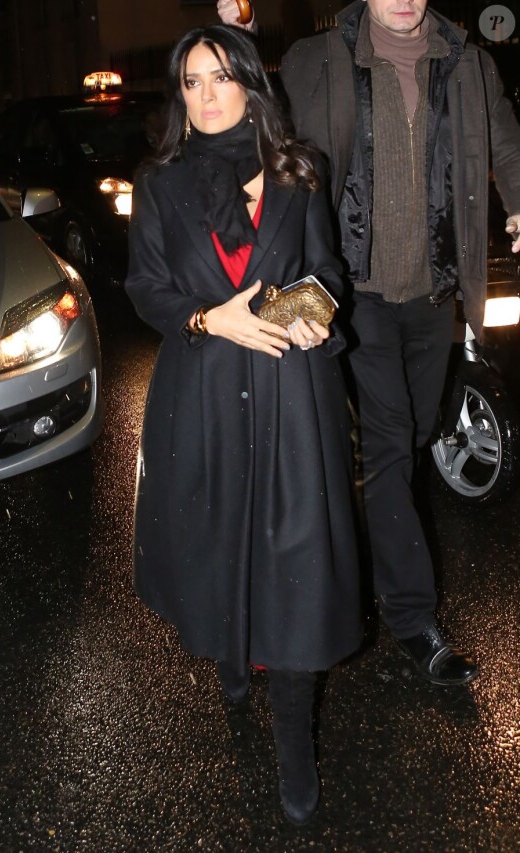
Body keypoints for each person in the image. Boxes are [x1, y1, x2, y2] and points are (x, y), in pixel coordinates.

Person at [218, 0, 520, 686]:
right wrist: (236, 35)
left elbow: (506, 144)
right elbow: (254, 120)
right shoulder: (317, 60)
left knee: (416, 432)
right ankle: (415, 619)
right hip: (355, 288)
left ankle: (375, 538)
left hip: (436, 287)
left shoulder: (470, 64)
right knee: (389, 442)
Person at [125, 24, 363, 825]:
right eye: (191, 82)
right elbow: (146, 287)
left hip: (295, 404)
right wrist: (206, 320)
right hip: (202, 403)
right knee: (222, 544)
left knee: (297, 564)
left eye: (221, 77)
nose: (207, 94)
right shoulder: (158, 184)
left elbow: (327, 269)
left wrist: (316, 315)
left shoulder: (299, 173)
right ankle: (231, 650)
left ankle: (294, 739)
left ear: (252, 83)